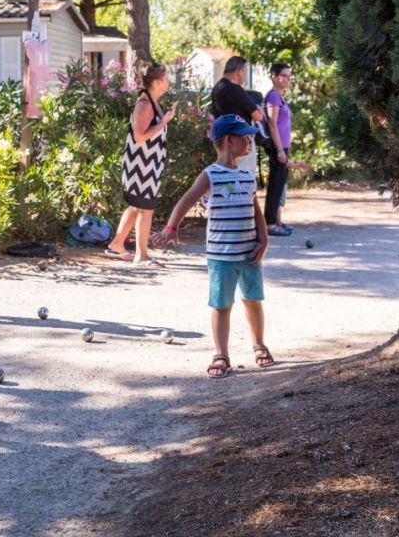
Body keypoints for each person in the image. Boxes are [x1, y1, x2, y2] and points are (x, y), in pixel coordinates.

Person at [152, 114, 274, 379]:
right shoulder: (211, 174)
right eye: (245, 136)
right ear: (229, 141)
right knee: (221, 304)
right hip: (221, 254)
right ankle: (221, 354)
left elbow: (256, 211)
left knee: (253, 299)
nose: (250, 141)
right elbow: (186, 200)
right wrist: (171, 227)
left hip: (250, 250)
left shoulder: (246, 175)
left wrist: (264, 241)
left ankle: (259, 344)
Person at [106, 62, 177, 265]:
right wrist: (164, 122)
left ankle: (117, 244)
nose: (168, 81)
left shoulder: (153, 102)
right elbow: (139, 137)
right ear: (156, 82)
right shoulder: (145, 104)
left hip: (149, 164)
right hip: (140, 166)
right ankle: (141, 255)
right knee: (145, 209)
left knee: (137, 206)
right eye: (165, 78)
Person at [263, 63, 308, 236]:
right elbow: (272, 123)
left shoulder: (278, 97)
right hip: (277, 146)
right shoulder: (273, 97)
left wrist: (294, 162)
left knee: (280, 184)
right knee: (275, 185)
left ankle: (276, 221)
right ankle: (270, 224)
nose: (288, 79)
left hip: (282, 146)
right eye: (284, 76)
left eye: (290, 76)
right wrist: (280, 149)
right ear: (274, 76)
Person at [211, 56, 263, 177]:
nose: (245, 75)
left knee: (228, 177)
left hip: (223, 141)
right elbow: (258, 116)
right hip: (242, 140)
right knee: (246, 177)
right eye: (245, 71)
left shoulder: (217, 88)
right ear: (238, 71)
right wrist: (260, 111)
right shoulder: (235, 89)